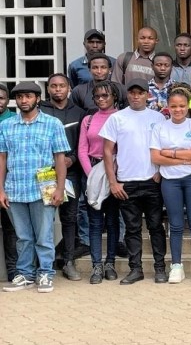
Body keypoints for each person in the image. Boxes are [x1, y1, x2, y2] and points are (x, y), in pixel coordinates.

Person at [0, 82, 69, 293]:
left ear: (37, 98)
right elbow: (2, 158)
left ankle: (46, 274)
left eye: (28, 96)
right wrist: (1, 189)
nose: (24, 100)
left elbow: (60, 158)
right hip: (15, 187)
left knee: (44, 235)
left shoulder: (52, 123)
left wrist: (59, 188)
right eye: (20, 97)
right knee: (23, 236)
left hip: (45, 186)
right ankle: (25, 274)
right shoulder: (6, 125)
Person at [99, 78, 168, 285]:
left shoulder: (158, 118)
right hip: (126, 182)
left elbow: (164, 146)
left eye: (140, 92)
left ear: (148, 95)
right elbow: (107, 151)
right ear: (127, 94)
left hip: (152, 180)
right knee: (132, 228)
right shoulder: (117, 118)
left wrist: (160, 171)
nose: (136, 96)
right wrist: (113, 182)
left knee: (156, 227)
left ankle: (160, 268)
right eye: (132, 92)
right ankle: (135, 269)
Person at [149, 86, 191, 284]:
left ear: (188, 106)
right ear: (167, 106)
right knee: (175, 225)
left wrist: (171, 153)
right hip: (170, 181)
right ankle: (176, 265)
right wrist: (184, 158)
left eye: (182, 106)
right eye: (173, 106)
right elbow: (156, 156)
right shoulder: (160, 127)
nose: (178, 109)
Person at [39, 74, 86, 281]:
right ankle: (43, 265)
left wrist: (72, 159)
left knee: (69, 218)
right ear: (48, 89)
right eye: (54, 86)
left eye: (62, 86)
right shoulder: (41, 111)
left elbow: (82, 144)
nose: (58, 89)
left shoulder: (80, 113)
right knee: (44, 219)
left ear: (69, 88)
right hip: (45, 173)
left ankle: (68, 261)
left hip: (71, 173)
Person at [77, 81, 122, 284]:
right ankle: (96, 265)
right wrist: (92, 175)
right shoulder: (88, 120)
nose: (102, 100)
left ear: (114, 96)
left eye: (106, 96)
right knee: (95, 222)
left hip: (115, 172)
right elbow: (82, 149)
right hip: (93, 172)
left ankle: (110, 262)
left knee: (112, 221)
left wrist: (113, 174)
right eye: (98, 97)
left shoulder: (121, 118)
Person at [0, 84, 17, 282]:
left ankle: (14, 272)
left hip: (11, 184)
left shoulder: (14, 121)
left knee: (12, 230)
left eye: (2, 98)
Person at [146, 53, 175, 118]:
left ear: (172, 67)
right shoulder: (144, 88)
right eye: (159, 65)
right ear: (152, 66)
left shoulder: (177, 88)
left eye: (166, 65)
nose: (162, 68)